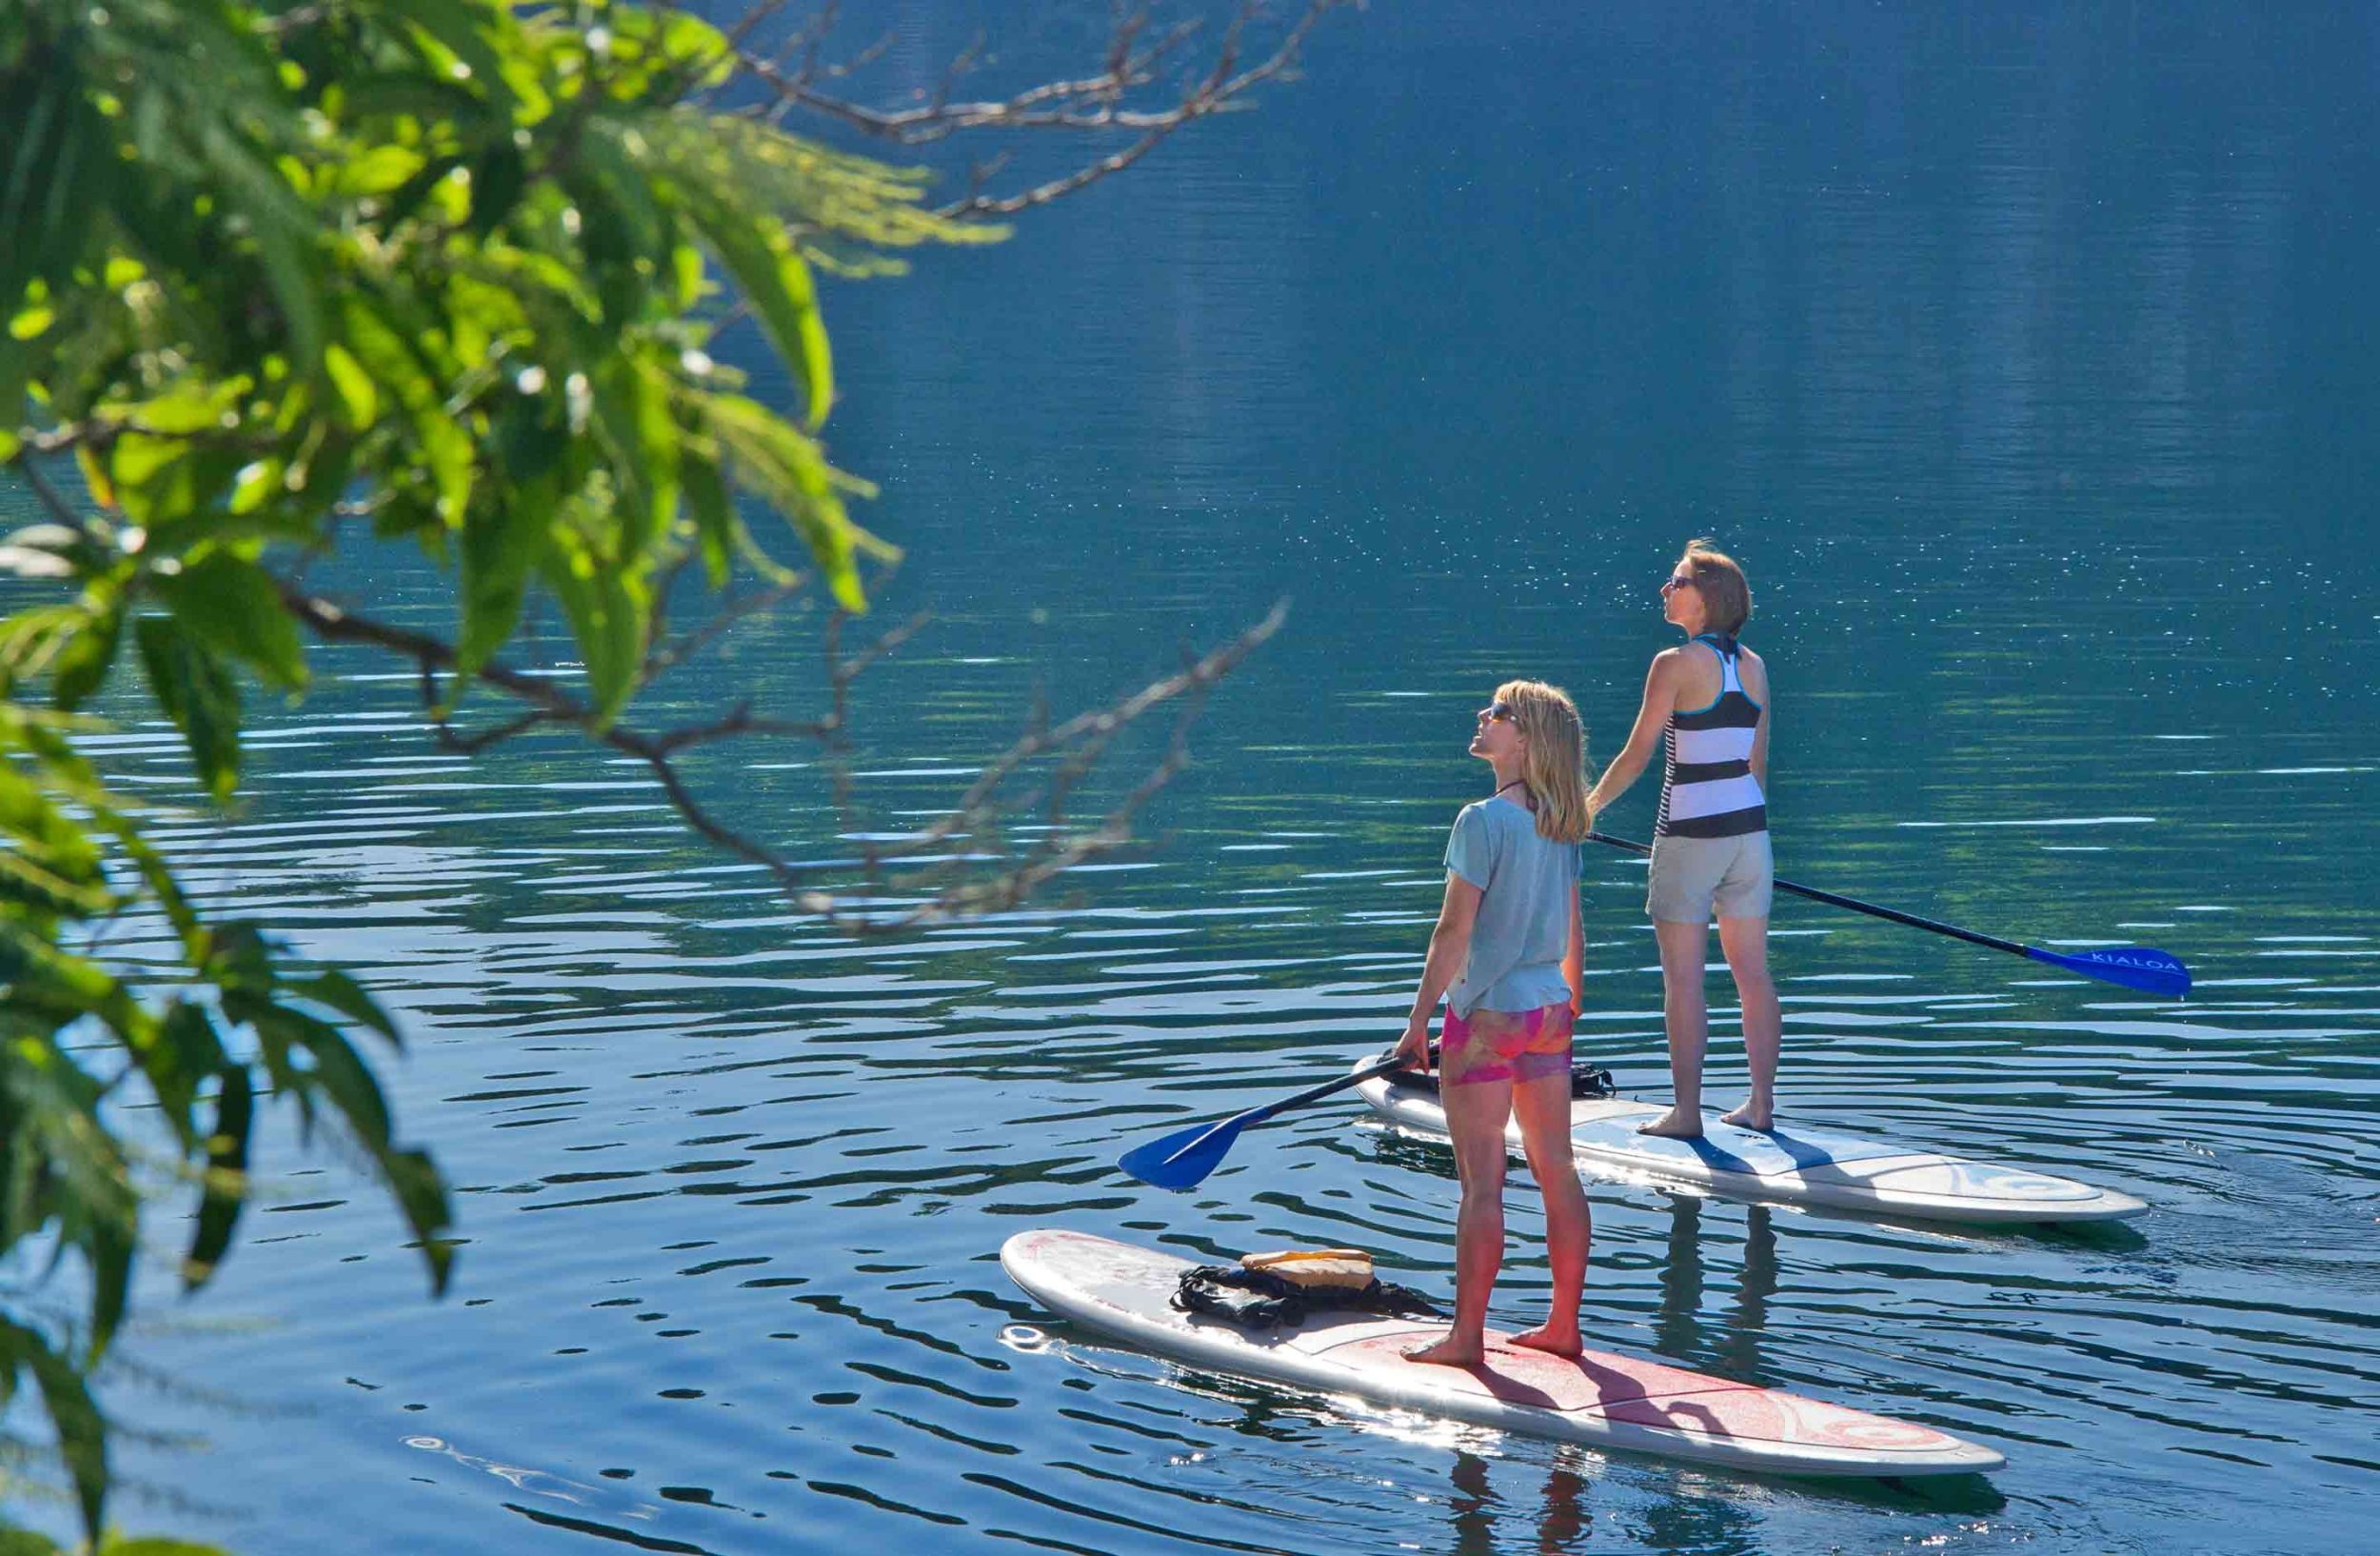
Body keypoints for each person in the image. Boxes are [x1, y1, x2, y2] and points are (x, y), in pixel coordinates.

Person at [1394, 681, 1595, 1366]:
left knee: (1483, 1185)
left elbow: (1453, 932)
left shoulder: (1480, 820)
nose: (1483, 718)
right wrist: (1571, 999)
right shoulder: (1561, 821)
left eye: (1499, 714)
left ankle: (1466, 1339)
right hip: (1548, 1011)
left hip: (1487, 1015)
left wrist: (1417, 1024)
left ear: (1527, 739)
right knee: (1557, 1169)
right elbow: (1573, 927)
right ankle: (1563, 1327)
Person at [1585, 540, 1778, 1138]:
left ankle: (1687, 1114)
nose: (1665, 590)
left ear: (1707, 598)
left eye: (1676, 582)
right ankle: (1762, 1106)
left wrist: (1586, 808)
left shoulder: (1671, 663)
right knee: (1753, 973)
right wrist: (1740, 842)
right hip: (1751, 835)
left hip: (1688, 837)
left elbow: (1638, 754)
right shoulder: (1755, 667)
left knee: (1683, 981)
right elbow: (1757, 766)